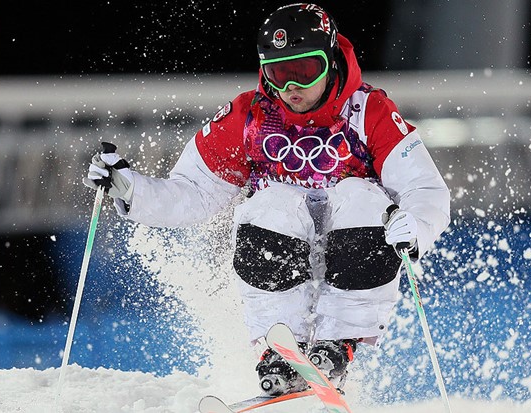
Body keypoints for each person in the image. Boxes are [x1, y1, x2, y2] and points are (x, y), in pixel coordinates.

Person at [84, 3, 450, 396]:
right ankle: (281, 350)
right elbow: (195, 192)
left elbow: (424, 190)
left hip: (352, 245)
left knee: (361, 197)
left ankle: (336, 345)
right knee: (268, 203)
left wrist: (414, 226)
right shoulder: (249, 119)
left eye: (304, 71)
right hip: (281, 244)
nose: (291, 87)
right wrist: (133, 190)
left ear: (329, 60)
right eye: (278, 73)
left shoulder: (368, 112)